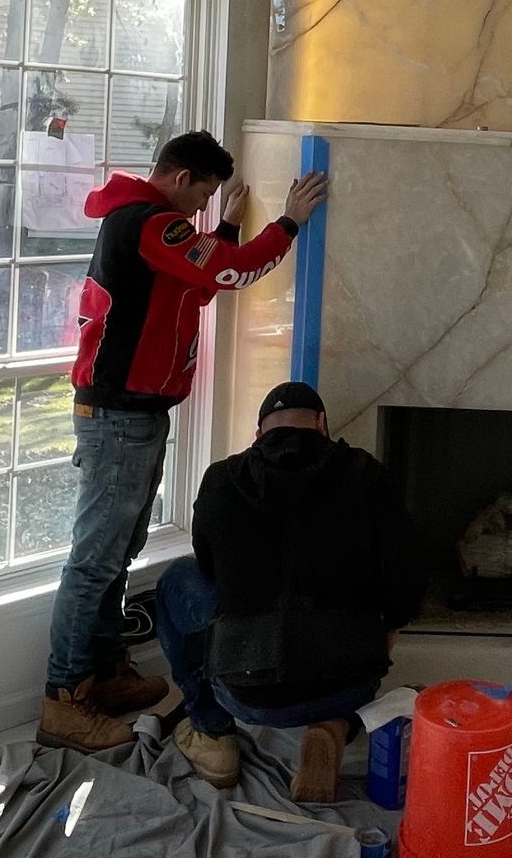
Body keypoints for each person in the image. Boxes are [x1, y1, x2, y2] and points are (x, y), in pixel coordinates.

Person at [39, 133, 327, 752]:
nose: (201, 208)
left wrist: (221, 227)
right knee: (94, 559)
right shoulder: (150, 223)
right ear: (181, 177)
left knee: (118, 549)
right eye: (202, 194)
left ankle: (107, 672)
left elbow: (200, 284)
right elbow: (235, 270)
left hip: (133, 415)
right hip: (120, 416)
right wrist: (290, 223)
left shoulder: (149, 228)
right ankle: (62, 698)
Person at [154, 380, 427, 804]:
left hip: (245, 693)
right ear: (322, 425)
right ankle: (334, 725)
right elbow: (408, 576)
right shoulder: (366, 473)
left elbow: (208, 566)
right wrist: (385, 633)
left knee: (178, 579)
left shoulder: (222, 479)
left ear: (259, 435)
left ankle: (213, 734)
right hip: (348, 682)